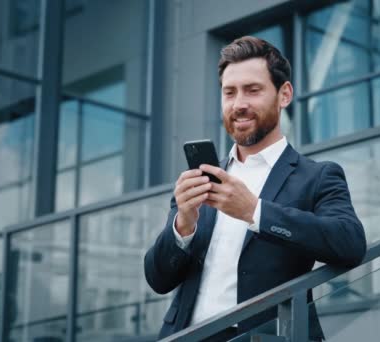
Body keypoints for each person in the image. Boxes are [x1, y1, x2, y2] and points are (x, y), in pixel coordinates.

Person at [144, 36, 366, 341]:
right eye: (229, 92)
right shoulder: (200, 179)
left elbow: (350, 242)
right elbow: (158, 279)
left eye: (253, 90)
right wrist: (183, 226)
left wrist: (254, 211)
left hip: (267, 336)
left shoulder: (318, 176)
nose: (239, 104)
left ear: (284, 94)